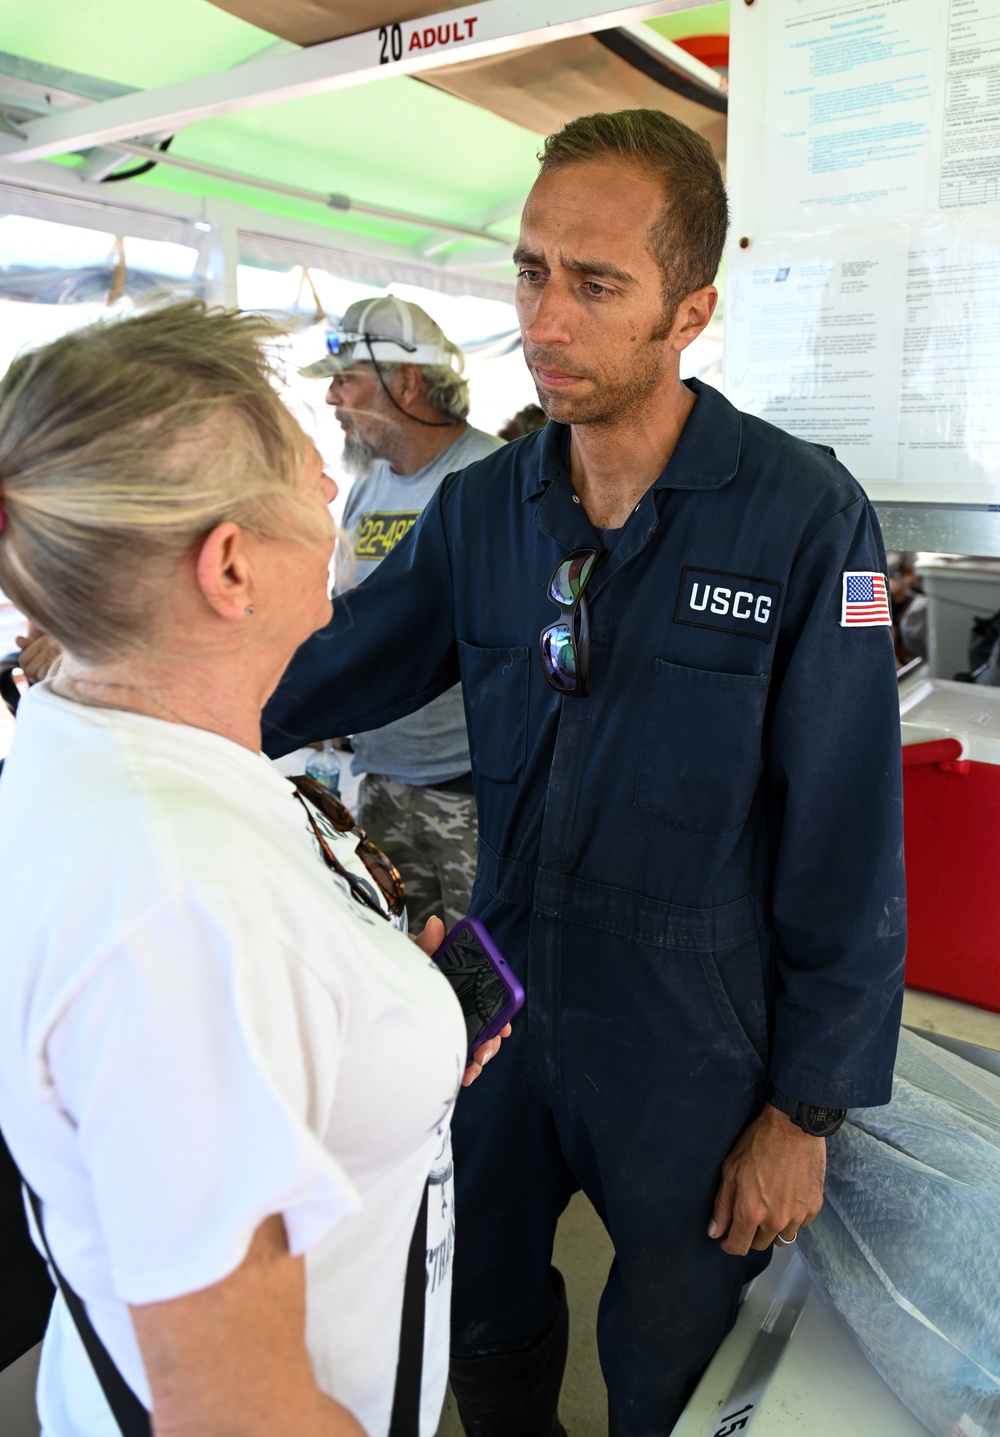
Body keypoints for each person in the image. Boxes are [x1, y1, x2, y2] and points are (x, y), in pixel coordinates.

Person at [262, 109, 906, 1437]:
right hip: (499, 988)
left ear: (692, 310)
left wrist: (806, 1106)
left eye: (596, 284)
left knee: (666, 1359)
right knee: (478, 1314)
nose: (545, 319)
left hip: (692, 1025)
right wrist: (151, 694)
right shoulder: (487, 508)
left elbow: (848, 828)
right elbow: (341, 665)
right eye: (531, 271)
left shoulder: (798, 515)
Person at [0, 301, 506, 1437]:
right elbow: (240, 1415)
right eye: (298, 471)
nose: (332, 493)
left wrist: (385, 1025)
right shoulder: (182, 909)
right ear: (228, 567)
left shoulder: (116, 755)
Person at [294, 295, 502, 930]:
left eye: (346, 380)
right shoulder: (367, 485)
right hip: (381, 779)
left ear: (407, 382)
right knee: (403, 958)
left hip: (472, 785)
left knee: (486, 972)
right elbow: (348, 604)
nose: (332, 398)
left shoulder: (491, 475)